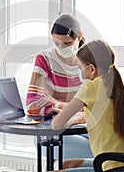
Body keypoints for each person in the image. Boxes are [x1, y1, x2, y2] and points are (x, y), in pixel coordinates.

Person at [51, 40, 124, 172]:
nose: (82, 75)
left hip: (112, 168)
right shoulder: (116, 84)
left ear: (91, 69)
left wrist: (73, 120)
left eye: (81, 69)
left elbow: (56, 125)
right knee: (66, 165)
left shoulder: (90, 87)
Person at [26, 14, 93, 159]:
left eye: (67, 43)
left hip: (82, 127)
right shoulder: (45, 59)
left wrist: (59, 105)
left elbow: (95, 106)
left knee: (112, 149)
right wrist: (78, 112)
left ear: (79, 36)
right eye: (57, 44)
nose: (62, 48)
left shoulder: (88, 64)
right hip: (53, 131)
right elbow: (32, 105)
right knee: (99, 153)